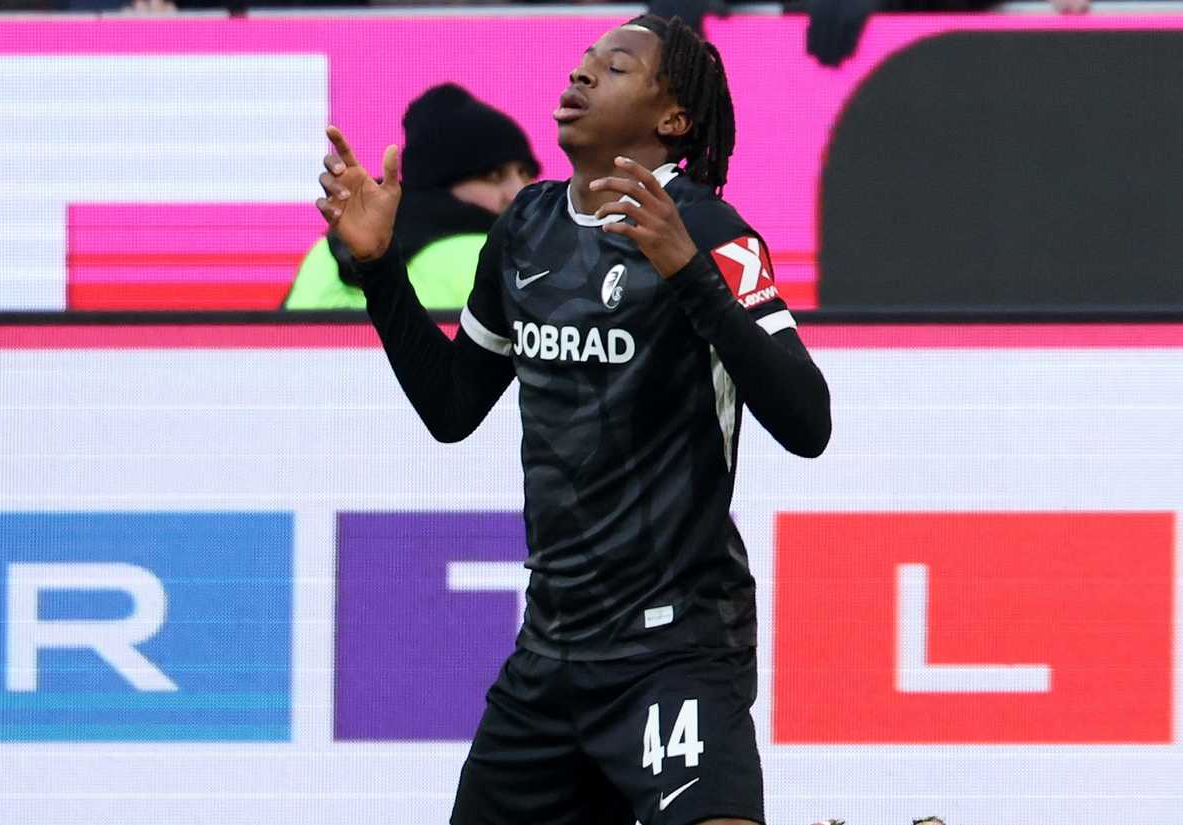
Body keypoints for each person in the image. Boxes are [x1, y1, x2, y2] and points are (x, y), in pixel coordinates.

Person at [316, 14, 830, 825]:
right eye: (585, 60)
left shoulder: (715, 235)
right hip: (551, 651)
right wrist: (379, 271)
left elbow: (809, 422)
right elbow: (453, 410)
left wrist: (688, 274)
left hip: (676, 649)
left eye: (616, 66)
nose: (584, 74)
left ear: (673, 119)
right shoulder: (526, 226)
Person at [286, 83, 538, 310]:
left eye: (525, 173)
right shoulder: (502, 255)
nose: (518, 191)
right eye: (493, 176)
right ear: (440, 183)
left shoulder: (322, 253)